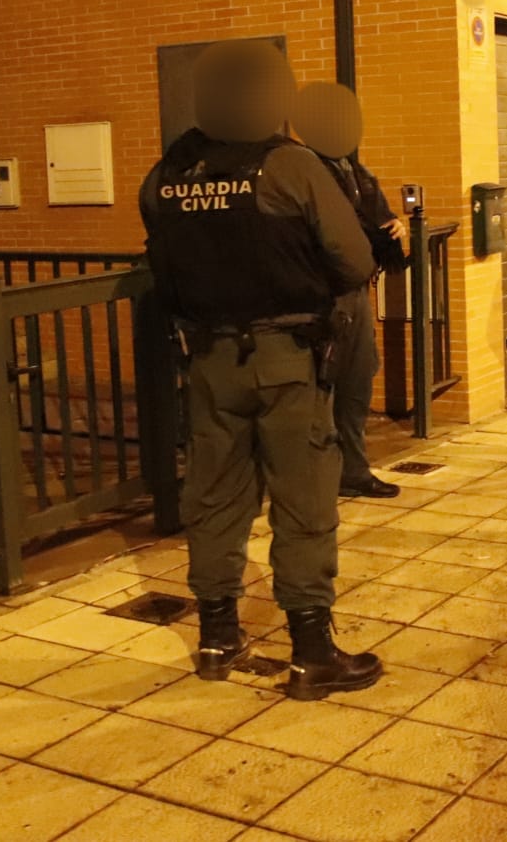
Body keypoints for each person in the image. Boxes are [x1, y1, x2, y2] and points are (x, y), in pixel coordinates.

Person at [139, 40, 383, 701]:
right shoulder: (291, 166)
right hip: (286, 358)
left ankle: (218, 637)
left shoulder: (166, 175)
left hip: (208, 361)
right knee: (304, 498)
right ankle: (311, 651)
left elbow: (160, 264)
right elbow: (354, 260)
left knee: (215, 499)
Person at [291, 81, 404, 500]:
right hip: (326, 294)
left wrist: (394, 227)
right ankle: (322, 472)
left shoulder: (352, 168)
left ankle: (351, 470)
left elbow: (377, 215)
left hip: (355, 290)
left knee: (357, 380)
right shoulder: (304, 168)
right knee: (323, 385)